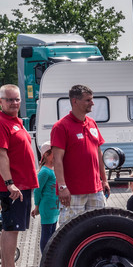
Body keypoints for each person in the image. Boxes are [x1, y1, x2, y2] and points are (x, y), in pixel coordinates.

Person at [51, 84, 110, 227]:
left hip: (95, 190)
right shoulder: (61, 126)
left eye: (92, 99)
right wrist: (62, 187)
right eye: (88, 100)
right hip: (73, 192)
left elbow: (98, 152)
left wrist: (104, 180)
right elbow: (57, 159)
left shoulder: (92, 123)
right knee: (70, 233)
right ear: (74, 101)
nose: (92, 103)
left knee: (99, 229)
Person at [0, 84, 38, 267]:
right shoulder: (2, 122)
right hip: (13, 188)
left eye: (16, 99)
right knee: (10, 228)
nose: (14, 103)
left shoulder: (16, 122)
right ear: (1, 102)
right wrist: (10, 183)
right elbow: (1, 155)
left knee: (11, 228)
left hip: (22, 185)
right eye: (9, 99)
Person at [31, 141, 59, 253]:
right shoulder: (44, 172)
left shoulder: (53, 170)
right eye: (54, 153)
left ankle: (51, 258)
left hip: (54, 207)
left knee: (53, 234)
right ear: (46, 155)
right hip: (47, 207)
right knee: (47, 234)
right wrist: (37, 206)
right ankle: (45, 259)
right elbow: (37, 191)